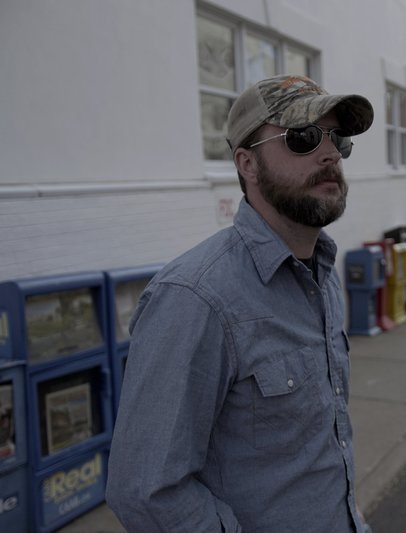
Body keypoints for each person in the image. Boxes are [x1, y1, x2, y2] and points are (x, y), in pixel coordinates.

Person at [106, 74, 374, 532]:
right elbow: (147, 491)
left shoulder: (323, 275)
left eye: (338, 139)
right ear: (247, 165)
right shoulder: (195, 298)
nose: (329, 154)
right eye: (303, 138)